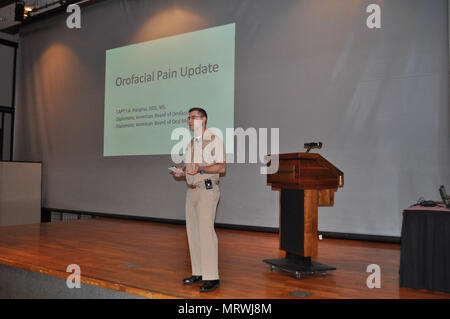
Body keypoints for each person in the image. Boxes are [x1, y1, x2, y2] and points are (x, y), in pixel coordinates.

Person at [171, 107, 226, 292]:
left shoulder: (214, 140)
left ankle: (212, 277)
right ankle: (199, 272)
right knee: (193, 233)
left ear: (203, 119)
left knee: (206, 233)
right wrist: (183, 173)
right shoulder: (190, 144)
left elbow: (221, 167)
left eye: (193, 117)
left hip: (207, 190)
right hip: (192, 191)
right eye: (188, 118)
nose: (189, 120)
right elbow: (192, 169)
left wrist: (201, 170)